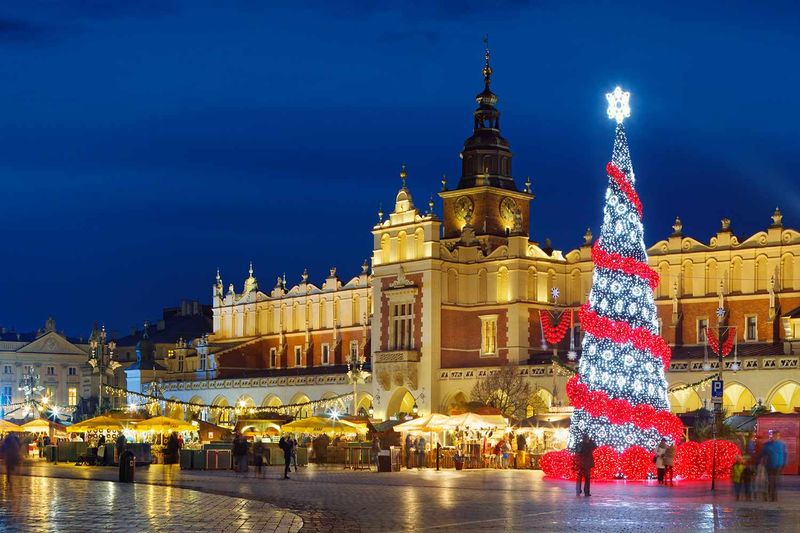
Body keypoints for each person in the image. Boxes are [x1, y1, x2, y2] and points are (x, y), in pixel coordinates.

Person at [761, 431, 787, 501]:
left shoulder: (782, 445)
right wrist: (759, 462)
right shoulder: (767, 445)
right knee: (770, 481)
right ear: (772, 436)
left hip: (778, 465)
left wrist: (784, 463)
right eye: (774, 435)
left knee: (775, 481)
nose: (775, 437)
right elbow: (762, 454)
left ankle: (773, 496)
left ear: (779, 436)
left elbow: (785, 454)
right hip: (769, 466)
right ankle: (771, 495)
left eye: (777, 436)